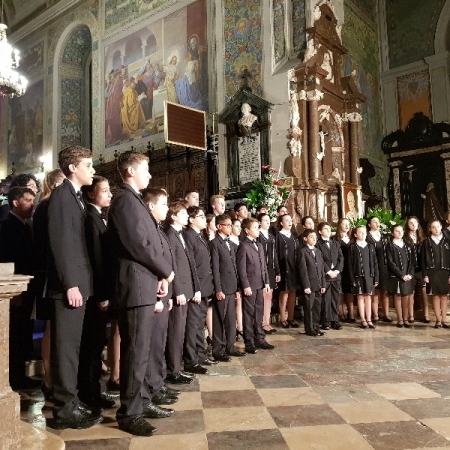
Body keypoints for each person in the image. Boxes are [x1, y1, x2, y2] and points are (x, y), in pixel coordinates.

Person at [108, 150, 174, 436]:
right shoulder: (124, 200)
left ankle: (143, 400)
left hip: (144, 282)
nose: (149, 175)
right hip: (134, 286)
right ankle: (129, 412)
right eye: (145, 169)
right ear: (131, 171)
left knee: (142, 350)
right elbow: (140, 244)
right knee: (135, 352)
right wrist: (165, 270)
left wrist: (158, 274)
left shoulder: (134, 201)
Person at [46, 145, 102, 429]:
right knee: (66, 349)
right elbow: (61, 244)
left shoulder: (74, 196)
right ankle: (64, 409)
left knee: (74, 348)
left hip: (80, 283)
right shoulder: (61, 197)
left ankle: (71, 400)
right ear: (72, 168)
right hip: (70, 286)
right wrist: (70, 284)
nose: (93, 170)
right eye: (88, 165)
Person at [80, 176, 116, 409]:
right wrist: (103, 295)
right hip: (96, 292)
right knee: (92, 345)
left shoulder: (98, 217)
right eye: (105, 190)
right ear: (92, 194)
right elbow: (97, 260)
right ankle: (90, 392)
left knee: (96, 344)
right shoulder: (91, 218)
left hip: (101, 291)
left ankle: (96, 388)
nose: (110, 194)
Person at [142, 188, 180, 407]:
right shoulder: (151, 230)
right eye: (164, 204)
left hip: (164, 293)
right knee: (153, 343)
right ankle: (152, 386)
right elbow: (151, 259)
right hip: (155, 294)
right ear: (151, 206)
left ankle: (158, 382)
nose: (167, 208)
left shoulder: (159, 229)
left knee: (159, 342)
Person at [0, 186, 38, 390]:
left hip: (27, 287)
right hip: (15, 289)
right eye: (28, 200)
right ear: (15, 202)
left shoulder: (24, 224)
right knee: (15, 334)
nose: (33, 204)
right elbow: (8, 259)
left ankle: (20, 375)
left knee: (23, 332)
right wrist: (14, 290)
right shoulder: (7, 225)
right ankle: (14, 377)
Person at [33, 169, 65, 398]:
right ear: (55, 185)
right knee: (50, 327)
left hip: (53, 273)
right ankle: (49, 379)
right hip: (48, 274)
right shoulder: (46, 206)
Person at [164, 201, 202, 381]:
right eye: (183, 214)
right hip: (179, 290)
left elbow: (189, 264)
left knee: (181, 332)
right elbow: (173, 267)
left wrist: (194, 288)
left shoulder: (180, 235)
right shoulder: (170, 235)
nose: (187, 216)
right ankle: (173, 370)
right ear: (173, 216)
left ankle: (177, 368)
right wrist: (177, 291)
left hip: (187, 289)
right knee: (175, 333)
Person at [184, 206, 217, 370]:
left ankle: (200, 355)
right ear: (191, 219)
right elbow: (191, 266)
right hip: (196, 288)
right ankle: (191, 359)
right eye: (201, 216)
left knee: (199, 325)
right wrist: (196, 288)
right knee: (193, 325)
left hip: (204, 287)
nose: (205, 219)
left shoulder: (200, 236)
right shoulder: (188, 236)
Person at [209, 214, 245, 360]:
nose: (230, 227)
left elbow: (234, 267)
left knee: (231, 319)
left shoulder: (230, 242)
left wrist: (237, 287)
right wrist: (218, 289)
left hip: (231, 286)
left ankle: (230, 346)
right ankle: (218, 350)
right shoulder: (214, 243)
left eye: (231, 225)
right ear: (219, 227)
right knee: (219, 319)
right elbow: (215, 268)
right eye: (228, 225)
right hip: (222, 288)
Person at [237, 218, 274, 353]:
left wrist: (267, 282)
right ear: (247, 230)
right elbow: (241, 269)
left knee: (259, 312)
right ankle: (249, 341)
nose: (258, 230)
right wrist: (245, 285)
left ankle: (260, 338)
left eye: (258, 228)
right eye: (255, 228)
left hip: (260, 284)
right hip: (250, 285)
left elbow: (263, 265)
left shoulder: (259, 245)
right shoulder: (243, 246)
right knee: (249, 314)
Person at [348, 225, 379, 329]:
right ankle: (363, 319)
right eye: (360, 232)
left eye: (364, 232)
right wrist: (352, 278)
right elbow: (350, 264)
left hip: (369, 276)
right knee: (360, 297)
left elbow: (375, 263)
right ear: (355, 234)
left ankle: (369, 319)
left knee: (368, 297)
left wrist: (376, 277)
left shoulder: (370, 246)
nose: (363, 234)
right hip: (358, 276)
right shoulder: (352, 247)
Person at [422, 219, 450, 328]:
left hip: (445, 271)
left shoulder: (447, 241)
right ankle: (438, 319)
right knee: (435, 295)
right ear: (430, 229)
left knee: (444, 295)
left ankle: (444, 320)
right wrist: (425, 274)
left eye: (438, 226)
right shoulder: (426, 242)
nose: (436, 229)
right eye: (433, 227)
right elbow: (423, 260)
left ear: (441, 227)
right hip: (432, 271)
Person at [386, 224, 415, 328]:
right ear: (393, 233)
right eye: (397, 231)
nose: (400, 232)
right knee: (398, 296)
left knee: (406, 296)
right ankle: (400, 319)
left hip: (407, 276)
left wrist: (410, 274)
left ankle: (406, 318)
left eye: (401, 231)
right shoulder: (390, 245)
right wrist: (401, 274)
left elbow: (412, 261)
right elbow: (390, 262)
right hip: (396, 276)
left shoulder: (408, 245)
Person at [316, 222, 344, 331]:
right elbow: (320, 260)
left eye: (329, 229)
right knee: (326, 299)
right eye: (325, 229)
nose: (328, 231)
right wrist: (328, 271)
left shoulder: (335, 243)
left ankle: (335, 320)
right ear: (320, 231)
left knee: (335, 299)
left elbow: (341, 258)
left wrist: (337, 270)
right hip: (326, 276)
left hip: (336, 275)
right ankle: (325, 321)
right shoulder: (318, 244)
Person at [299, 229, 327, 336]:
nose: (314, 239)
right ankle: (309, 328)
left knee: (317, 307)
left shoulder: (318, 252)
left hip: (318, 284)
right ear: (305, 239)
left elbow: (321, 270)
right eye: (311, 237)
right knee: (309, 307)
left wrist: (323, 284)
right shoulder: (303, 252)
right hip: (309, 285)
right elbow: (303, 270)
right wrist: (306, 286)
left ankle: (316, 327)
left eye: (315, 237)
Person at [276, 214, 300, 328]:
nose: (289, 222)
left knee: (293, 292)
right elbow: (276, 253)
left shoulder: (294, 236)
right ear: (281, 223)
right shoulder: (278, 236)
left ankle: (291, 317)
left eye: (291, 220)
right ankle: (282, 318)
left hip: (294, 267)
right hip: (284, 267)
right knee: (284, 292)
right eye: (287, 220)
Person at [257, 213, 280, 334]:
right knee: (262, 296)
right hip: (262, 268)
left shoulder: (271, 236)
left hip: (271, 269)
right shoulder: (258, 235)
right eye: (265, 220)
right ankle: (261, 322)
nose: (267, 222)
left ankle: (267, 321)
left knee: (269, 296)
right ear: (259, 222)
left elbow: (274, 255)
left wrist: (277, 271)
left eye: (268, 220)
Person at [366, 216, 391, 322]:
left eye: (378, 222)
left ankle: (386, 314)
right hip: (373, 265)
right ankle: (375, 314)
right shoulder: (367, 237)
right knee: (375, 291)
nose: (377, 223)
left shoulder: (384, 236)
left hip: (383, 265)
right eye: (374, 222)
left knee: (384, 291)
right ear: (369, 225)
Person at [405, 216, 429, 323]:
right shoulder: (405, 238)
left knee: (423, 292)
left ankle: (426, 315)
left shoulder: (423, 239)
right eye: (411, 223)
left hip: (421, 268)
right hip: (410, 269)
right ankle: (411, 315)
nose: (414, 225)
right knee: (411, 292)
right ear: (408, 225)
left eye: (415, 222)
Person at [334, 218, 354, 322]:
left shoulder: (352, 239)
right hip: (340, 266)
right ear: (339, 225)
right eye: (344, 224)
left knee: (349, 291)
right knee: (340, 290)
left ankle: (351, 313)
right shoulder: (335, 239)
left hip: (350, 267)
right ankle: (340, 312)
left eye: (348, 224)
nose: (347, 226)